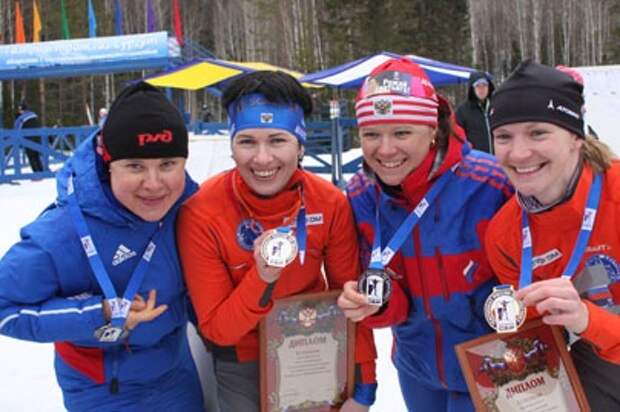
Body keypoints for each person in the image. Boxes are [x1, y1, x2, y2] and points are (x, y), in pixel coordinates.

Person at [177, 71, 377, 412]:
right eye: (247, 142)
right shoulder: (201, 212)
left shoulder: (328, 202)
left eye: (277, 140)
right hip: (242, 360)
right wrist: (262, 277)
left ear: (300, 145)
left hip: (314, 349)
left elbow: (351, 300)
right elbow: (218, 330)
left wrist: (365, 385)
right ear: (232, 146)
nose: (263, 159)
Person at [0, 82, 204, 411]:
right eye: (135, 166)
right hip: (102, 386)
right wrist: (99, 313)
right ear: (108, 164)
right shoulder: (62, 233)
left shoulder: (191, 210)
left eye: (167, 164)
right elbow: (4, 308)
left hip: (175, 373)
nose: (154, 183)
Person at [336, 58, 513, 411]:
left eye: (402, 133)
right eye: (371, 134)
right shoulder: (361, 194)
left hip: (492, 364)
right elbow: (387, 296)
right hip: (417, 369)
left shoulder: (491, 182)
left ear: (432, 129)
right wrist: (374, 304)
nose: (385, 150)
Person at [485, 60, 620, 409]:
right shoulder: (504, 233)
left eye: (538, 133)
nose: (519, 153)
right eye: (504, 137)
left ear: (576, 137)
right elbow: (535, 335)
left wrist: (588, 319)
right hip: (599, 361)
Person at [456, 71, 495, 153]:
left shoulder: (496, 106)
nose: (481, 89)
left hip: (498, 158)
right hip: (475, 158)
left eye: (484, 85)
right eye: (478, 86)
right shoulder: (462, 111)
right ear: (472, 88)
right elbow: (457, 138)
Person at [14, 102, 47, 173]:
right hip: (38, 138)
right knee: (36, 156)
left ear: (21, 110)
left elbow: (16, 130)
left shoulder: (20, 118)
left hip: (28, 139)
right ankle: (41, 171)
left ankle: (36, 173)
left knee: (31, 157)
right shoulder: (34, 115)